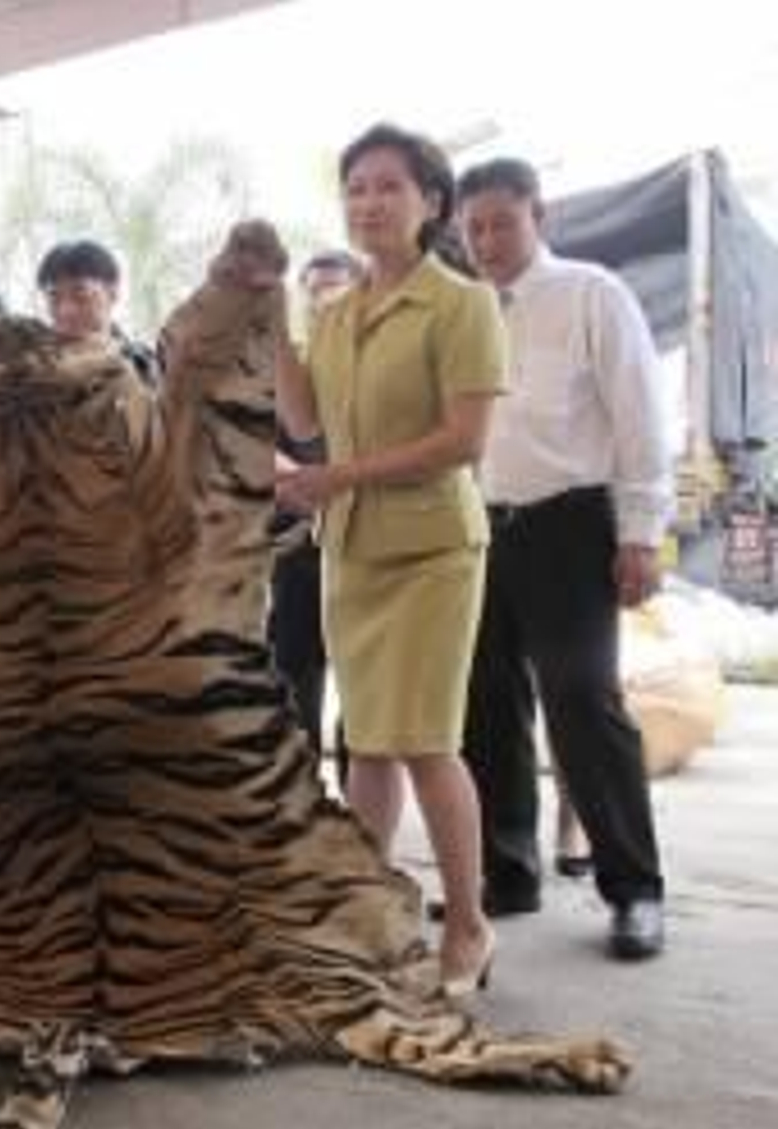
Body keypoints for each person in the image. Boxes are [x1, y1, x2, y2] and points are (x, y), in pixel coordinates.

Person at [272, 123, 506, 1000]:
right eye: (356, 188)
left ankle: (471, 925)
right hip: (352, 549)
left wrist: (335, 476)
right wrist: (269, 330)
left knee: (424, 743)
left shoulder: (462, 304)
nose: (369, 202)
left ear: (430, 202)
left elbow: (464, 439)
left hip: (435, 550)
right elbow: (303, 421)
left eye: (387, 187)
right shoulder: (335, 312)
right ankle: (374, 922)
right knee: (366, 747)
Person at [457, 156, 671, 959]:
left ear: (537, 217)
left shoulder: (590, 293)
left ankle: (635, 889)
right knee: (484, 704)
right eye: (472, 227)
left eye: (501, 222)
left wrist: (639, 533)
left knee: (582, 700)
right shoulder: (463, 308)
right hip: (478, 527)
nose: (485, 240)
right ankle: (507, 876)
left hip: (570, 524)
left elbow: (639, 415)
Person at [269, 251, 361, 761]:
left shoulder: (378, 358)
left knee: (363, 682)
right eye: (313, 289)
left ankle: (362, 801)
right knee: (296, 672)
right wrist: (291, 478)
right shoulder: (288, 364)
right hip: (297, 546)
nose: (322, 298)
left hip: (366, 537)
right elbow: (258, 441)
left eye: (335, 287)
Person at [36, 240, 158, 383]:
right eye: (54, 298)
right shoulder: (33, 367)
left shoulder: (145, 365)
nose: (66, 311)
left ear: (113, 293)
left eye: (81, 296)